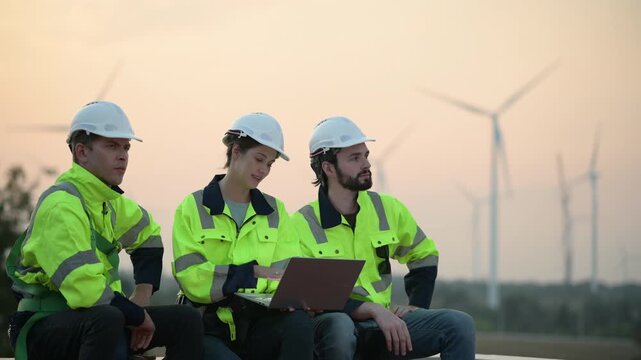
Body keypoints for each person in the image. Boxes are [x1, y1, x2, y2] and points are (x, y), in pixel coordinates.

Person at [5, 101, 203, 360]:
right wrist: (136, 315)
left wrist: (142, 294)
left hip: (98, 317)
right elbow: (86, 290)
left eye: (126, 147)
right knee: (107, 318)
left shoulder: (109, 201)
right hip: (43, 323)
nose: (123, 155)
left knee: (186, 320)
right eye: (112, 146)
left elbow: (149, 236)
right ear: (82, 152)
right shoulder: (60, 205)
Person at [291, 116, 476, 360]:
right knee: (340, 327)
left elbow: (424, 254)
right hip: (335, 329)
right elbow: (306, 295)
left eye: (365, 155)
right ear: (328, 167)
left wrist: (417, 304)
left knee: (459, 324)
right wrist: (371, 310)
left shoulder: (387, 208)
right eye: (355, 158)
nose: (367, 164)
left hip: (383, 326)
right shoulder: (301, 224)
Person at [172, 112, 314, 360]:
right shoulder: (192, 207)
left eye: (270, 164)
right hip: (209, 326)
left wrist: (289, 297)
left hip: (258, 323)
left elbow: (284, 273)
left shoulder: (276, 211)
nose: (264, 170)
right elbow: (193, 279)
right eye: (259, 159)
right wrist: (251, 273)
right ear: (236, 151)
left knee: (299, 324)